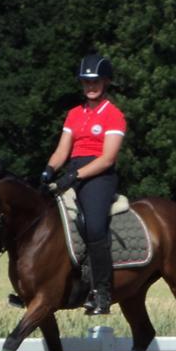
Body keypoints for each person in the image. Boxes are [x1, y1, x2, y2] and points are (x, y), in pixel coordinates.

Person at [40, 52, 127, 315]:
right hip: (73, 170)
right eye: (87, 82)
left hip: (99, 176)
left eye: (96, 82)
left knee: (95, 225)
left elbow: (107, 158)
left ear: (106, 82)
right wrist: (48, 171)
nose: (91, 86)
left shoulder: (114, 116)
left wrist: (74, 177)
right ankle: (37, 285)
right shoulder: (74, 114)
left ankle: (102, 292)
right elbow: (61, 151)